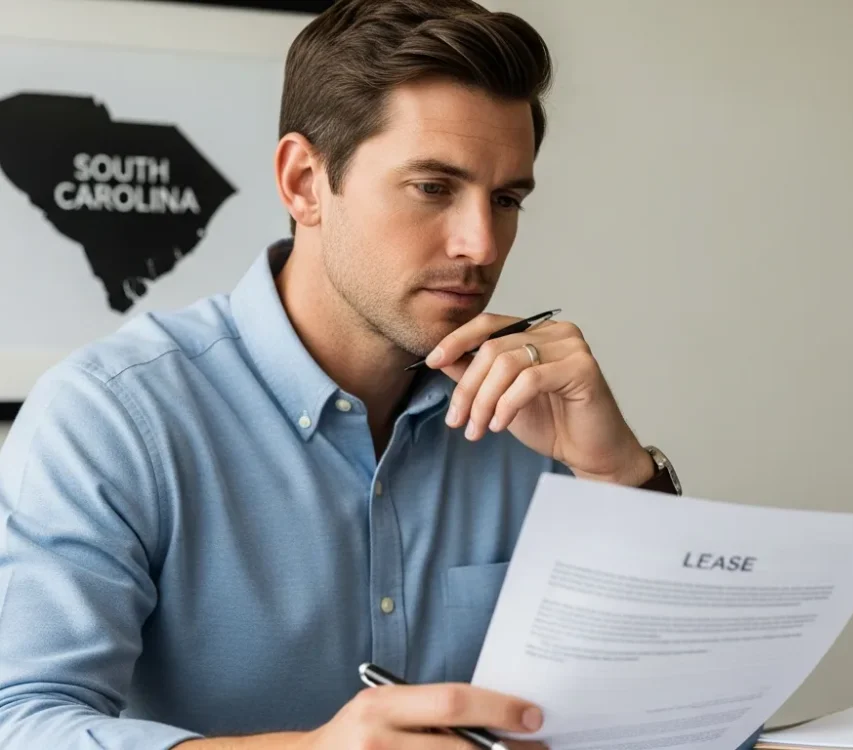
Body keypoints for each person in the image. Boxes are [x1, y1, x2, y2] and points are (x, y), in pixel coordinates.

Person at [0, 1, 760, 748]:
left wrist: (619, 475)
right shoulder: (112, 418)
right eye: (433, 187)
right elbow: (21, 720)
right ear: (303, 182)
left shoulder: (534, 414)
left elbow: (692, 721)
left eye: (507, 199)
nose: (481, 244)